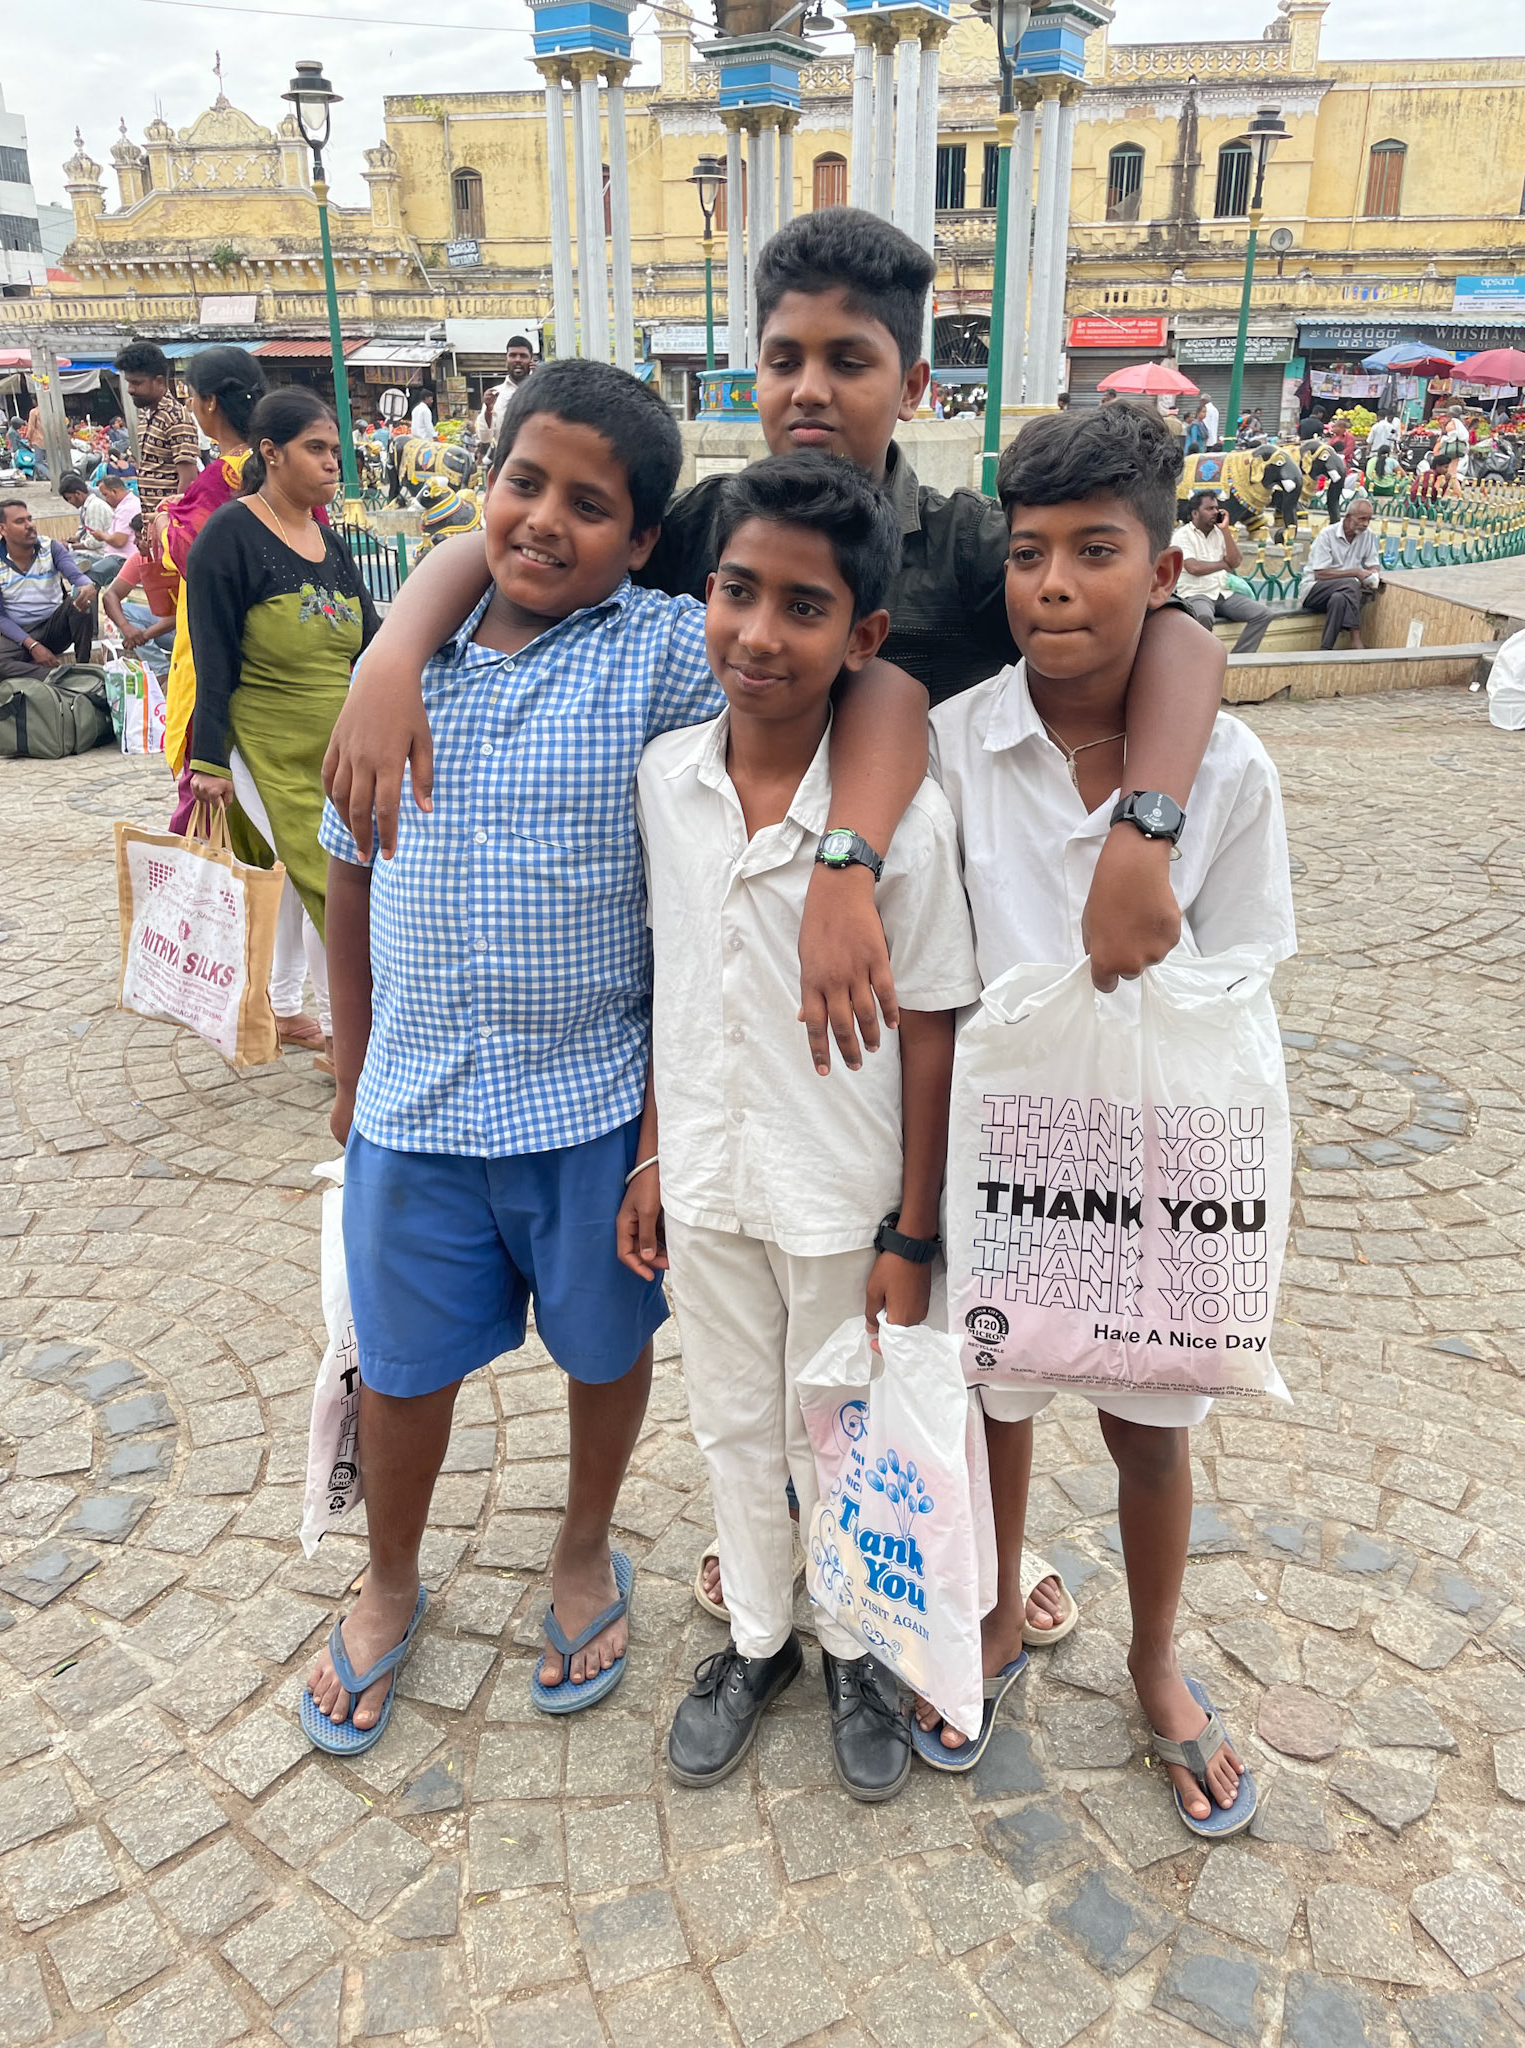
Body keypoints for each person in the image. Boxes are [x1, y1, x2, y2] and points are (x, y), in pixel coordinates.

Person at [318, 205, 1227, 1634]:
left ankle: (961, 1544)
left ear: (913, 384)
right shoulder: (703, 521)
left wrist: (1137, 826)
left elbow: (1162, 626)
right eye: (784, 357)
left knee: (921, 1291)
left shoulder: (963, 540)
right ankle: (774, 1541)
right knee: (763, 1325)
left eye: (849, 361)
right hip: (746, 985)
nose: (811, 388)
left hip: (922, 971)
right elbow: (522, 540)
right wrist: (392, 649)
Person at [300, 356, 934, 1750]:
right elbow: (348, 875)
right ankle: (389, 1576)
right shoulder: (397, 675)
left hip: (590, 1106)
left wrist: (846, 858)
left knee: (605, 1349)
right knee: (399, 1367)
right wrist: (397, 647)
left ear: (646, 541)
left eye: (589, 506)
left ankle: (585, 1547)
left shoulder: (660, 648)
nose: (543, 521)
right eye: (520, 484)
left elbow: (874, 686)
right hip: (413, 1102)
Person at [924, 402, 1295, 1835]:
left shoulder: (1228, 771)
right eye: (1029, 555)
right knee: (998, 1397)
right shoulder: (960, 747)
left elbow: (1245, 975)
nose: (1056, 585)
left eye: (1096, 550)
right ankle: (995, 1610)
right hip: (1006, 1156)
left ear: (1163, 568)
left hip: (1158, 1158)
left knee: (1152, 1425)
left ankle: (1153, 1657)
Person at [624, 453, 980, 1799]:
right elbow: (674, 978)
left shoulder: (903, 825)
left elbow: (934, 1021)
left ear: (864, 635)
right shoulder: (667, 781)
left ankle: (855, 1647)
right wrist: (655, 1151)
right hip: (709, 1178)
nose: (760, 633)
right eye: (737, 591)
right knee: (731, 1420)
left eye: (804, 607)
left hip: (843, 1195)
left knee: (843, 1430)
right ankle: (760, 1637)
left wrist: (914, 1228)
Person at [184, 390, 377, 1076]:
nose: (332, 465)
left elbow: (373, 642)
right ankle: (345, 1038)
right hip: (261, 748)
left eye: (335, 452)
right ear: (270, 452)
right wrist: (208, 760)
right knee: (326, 878)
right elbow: (212, 658)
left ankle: (284, 1006)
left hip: (333, 749)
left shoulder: (330, 541)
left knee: (297, 876)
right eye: (315, 449)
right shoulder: (229, 537)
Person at [150, 343, 269, 826]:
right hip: (277, 644)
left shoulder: (224, 477)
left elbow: (196, 557)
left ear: (211, 402)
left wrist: (164, 523)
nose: (190, 405)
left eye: (192, 395)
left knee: (209, 813)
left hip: (221, 643)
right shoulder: (277, 466)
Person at [0, 498, 97, 679]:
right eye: (20, 521)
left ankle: (83, 667)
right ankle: (62, 678)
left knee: (80, 602)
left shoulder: (51, 547)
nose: (30, 525)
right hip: (21, 633)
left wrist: (86, 585)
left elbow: (75, 575)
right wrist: (32, 645)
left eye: (29, 519)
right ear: (2, 529)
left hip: (56, 626)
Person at [113, 340, 200, 534]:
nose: (130, 389)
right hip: (153, 525)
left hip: (169, 528)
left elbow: (188, 480)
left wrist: (173, 527)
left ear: (159, 381)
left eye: (137, 383)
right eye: (129, 382)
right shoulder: (146, 415)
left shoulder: (176, 417)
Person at [1171, 491, 1271, 654]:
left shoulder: (1220, 533)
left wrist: (1225, 531)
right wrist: (1224, 565)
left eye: (1216, 508)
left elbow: (1235, 561)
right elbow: (1193, 568)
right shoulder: (1182, 535)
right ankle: (1200, 660)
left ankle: (1239, 659)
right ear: (1195, 513)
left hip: (1223, 593)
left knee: (1262, 614)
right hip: (1196, 593)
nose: (1215, 512)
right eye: (1209, 509)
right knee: (1204, 616)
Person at [1300, 495, 1381, 648]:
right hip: (1314, 590)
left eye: (1369, 520)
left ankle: (1325, 649)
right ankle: (1355, 637)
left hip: (1343, 592)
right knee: (1351, 583)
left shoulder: (1367, 535)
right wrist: (1355, 573)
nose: (1365, 524)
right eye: (1362, 519)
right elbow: (1320, 574)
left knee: (1339, 599)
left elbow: (1373, 564)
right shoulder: (1327, 535)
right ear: (1349, 517)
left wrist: (1372, 575)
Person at [101, 551, 177, 682]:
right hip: (169, 630)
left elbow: (183, 613)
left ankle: (165, 675)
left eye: (142, 539)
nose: (136, 542)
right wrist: (126, 627)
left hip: (193, 631)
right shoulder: (141, 558)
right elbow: (109, 596)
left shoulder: (179, 555)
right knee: (124, 611)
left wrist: (144, 635)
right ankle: (162, 672)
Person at [59, 471, 126, 587]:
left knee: (64, 557)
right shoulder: (85, 508)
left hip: (101, 554)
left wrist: (70, 547)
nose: (70, 503)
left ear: (78, 494)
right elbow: (85, 531)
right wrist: (75, 539)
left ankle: (76, 566)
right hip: (94, 551)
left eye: (70, 498)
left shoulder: (95, 507)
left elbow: (95, 543)